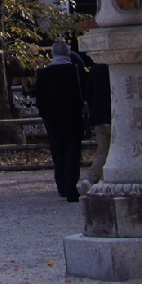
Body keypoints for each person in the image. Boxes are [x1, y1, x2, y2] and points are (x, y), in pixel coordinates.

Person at [34, 42, 88, 201]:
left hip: (52, 119)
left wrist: (45, 115)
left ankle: (61, 185)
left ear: (53, 54)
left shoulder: (44, 74)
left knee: (57, 152)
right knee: (72, 152)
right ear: (68, 54)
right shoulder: (76, 71)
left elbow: (39, 99)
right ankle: (71, 187)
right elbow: (85, 93)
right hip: (73, 116)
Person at [80, 47, 112, 187]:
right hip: (114, 115)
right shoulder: (115, 69)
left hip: (98, 116)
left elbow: (87, 95)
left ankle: (92, 178)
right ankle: (99, 178)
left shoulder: (94, 71)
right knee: (114, 151)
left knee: (102, 151)